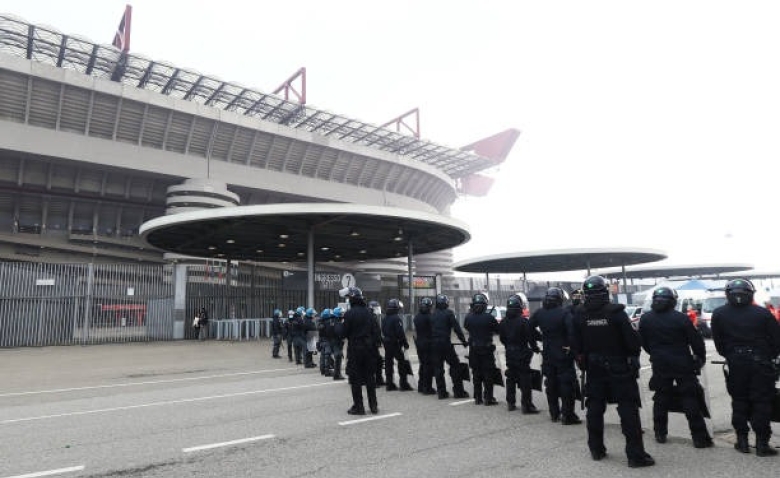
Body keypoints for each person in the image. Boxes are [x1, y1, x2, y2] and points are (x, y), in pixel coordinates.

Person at [572, 275, 654, 468]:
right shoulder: (615, 312)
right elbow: (632, 342)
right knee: (628, 410)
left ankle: (596, 449)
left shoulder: (580, 314)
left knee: (594, 409)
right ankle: (636, 456)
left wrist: (583, 361)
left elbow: (576, 343)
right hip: (618, 368)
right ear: (605, 291)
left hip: (594, 368)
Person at [712, 278, 780, 456]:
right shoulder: (763, 313)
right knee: (762, 402)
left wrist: (731, 355)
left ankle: (741, 441)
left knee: (739, 401)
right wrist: (768, 357)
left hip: (736, 363)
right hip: (760, 363)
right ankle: (762, 443)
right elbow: (776, 341)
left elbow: (718, 343)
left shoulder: (719, 314)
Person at [638, 287, 712, 448]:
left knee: (661, 397)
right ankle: (699, 437)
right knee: (689, 398)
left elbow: (643, 341)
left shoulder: (646, 318)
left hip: (659, 362)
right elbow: (696, 341)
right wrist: (700, 358)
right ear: (672, 301)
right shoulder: (680, 318)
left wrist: (656, 353)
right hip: (682, 361)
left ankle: (660, 432)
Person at [529, 287, 580, 424]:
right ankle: (568, 415)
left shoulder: (539, 313)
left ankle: (554, 414)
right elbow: (572, 333)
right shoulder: (564, 314)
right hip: (564, 353)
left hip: (547, 353)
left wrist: (536, 342)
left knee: (551, 384)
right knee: (567, 384)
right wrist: (572, 348)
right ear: (560, 299)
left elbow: (528, 327)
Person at [341, 287, 381, 415]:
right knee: (370, 377)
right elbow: (377, 332)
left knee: (355, 379)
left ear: (352, 299)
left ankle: (359, 407)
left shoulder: (349, 314)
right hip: (369, 349)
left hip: (355, 349)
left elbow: (343, 333)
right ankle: (373, 406)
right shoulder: (370, 313)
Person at [501, 294, 540, 413]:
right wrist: (535, 348)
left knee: (511, 378)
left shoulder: (503, 322)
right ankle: (527, 406)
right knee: (525, 380)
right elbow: (531, 336)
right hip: (522, 352)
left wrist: (509, 347)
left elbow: (502, 338)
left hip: (509, 352)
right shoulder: (523, 321)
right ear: (520, 307)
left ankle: (511, 403)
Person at [431, 294, 470, 399]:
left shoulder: (433, 314)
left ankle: (441, 392)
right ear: (446, 303)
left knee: (438, 369)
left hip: (434, 345)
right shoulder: (449, 313)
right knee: (455, 367)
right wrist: (463, 341)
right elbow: (457, 328)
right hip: (445, 344)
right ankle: (458, 392)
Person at [464, 293, 500, 405]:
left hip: (474, 350)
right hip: (487, 350)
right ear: (484, 305)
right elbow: (498, 330)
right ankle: (488, 398)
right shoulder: (489, 318)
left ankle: (478, 398)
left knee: (476, 375)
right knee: (488, 375)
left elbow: (467, 327)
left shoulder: (468, 317)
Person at [382, 298, 414, 391]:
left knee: (388, 363)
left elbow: (383, 330)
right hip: (395, 343)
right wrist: (405, 343)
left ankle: (389, 384)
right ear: (396, 308)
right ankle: (403, 384)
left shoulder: (385, 318)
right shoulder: (396, 318)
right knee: (402, 363)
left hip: (387, 343)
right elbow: (400, 332)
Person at [413, 297, 437, 395]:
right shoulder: (430, 317)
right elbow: (433, 330)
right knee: (428, 366)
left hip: (419, 343)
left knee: (422, 364)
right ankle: (427, 388)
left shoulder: (417, 317)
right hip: (428, 343)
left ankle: (420, 386)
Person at [369, 300, 387, 387]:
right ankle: (373, 381)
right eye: (376, 308)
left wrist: (381, 340)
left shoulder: (375, 318)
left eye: (378, 308)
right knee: (373, 362)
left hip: (374, 343)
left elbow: (377, 331)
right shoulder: (369, 318)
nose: (377, 310)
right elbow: (372, 332)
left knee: (379, 361)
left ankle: (379, 379)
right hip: (370, 344)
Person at [329, 307, 346, 380]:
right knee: (338, 357)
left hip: (334, 341)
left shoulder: (333, 321)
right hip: (337, 342)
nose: (342, 314)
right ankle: (337, 375)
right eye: (341, 313)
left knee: (338, 357)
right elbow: (339, 332)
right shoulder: (337, 322)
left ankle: (337, 374)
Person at [317, 308, 334, 376]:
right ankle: (327, 371)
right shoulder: (328, 323)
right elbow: (330, 332)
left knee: (322, 355)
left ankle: (322, 370)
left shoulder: (320, 322)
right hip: (327, 340)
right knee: (327, 355)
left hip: (321, 340)